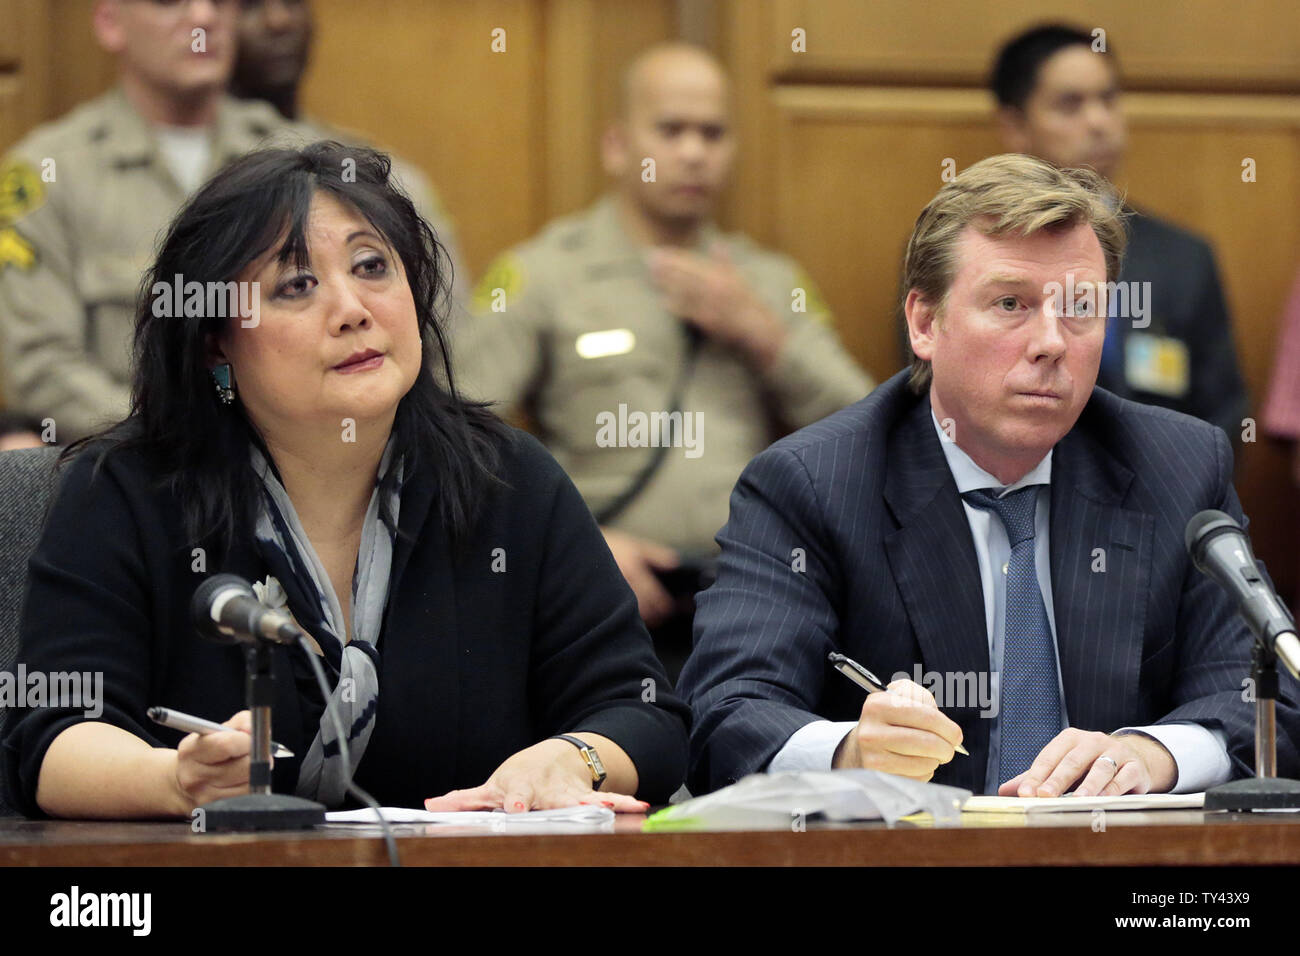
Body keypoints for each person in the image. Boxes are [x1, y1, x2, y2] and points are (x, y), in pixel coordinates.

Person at [1, 142, 688, 818]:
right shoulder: (125, 490)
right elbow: (53, 739)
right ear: (216, 340)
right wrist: (174, 782)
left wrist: (572, 757)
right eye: (297, 286)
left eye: (371, 267)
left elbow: (643, 713)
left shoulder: (506, 480)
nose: (353, 307)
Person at [680, 154, 1300, 798]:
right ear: (925, 322)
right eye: (1011, 303)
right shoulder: (813, 484)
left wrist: (1153, 754)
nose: (1052, 342)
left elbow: (1268, 700)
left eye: (1080, 308)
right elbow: (724, 713)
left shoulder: (1176, 466)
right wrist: (850, 752)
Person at [455, 43, 873, 678]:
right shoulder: (545, 273)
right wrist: (580, 547)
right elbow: (453, 435)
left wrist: (761, 335)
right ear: (619, 146)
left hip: (750, 595)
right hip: (597, 594)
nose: (694, 153)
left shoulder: (766, 278)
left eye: (712, 133)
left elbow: (867, 423)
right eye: (671, 129)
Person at [0, 0, 308, 443]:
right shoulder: (47, 175)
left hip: (294, 466)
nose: (203, 18)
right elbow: (42, 368)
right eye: (169, 2)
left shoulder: (301, 159)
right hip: (134, 469)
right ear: (109, 23)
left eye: (220, 2)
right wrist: (183, 436)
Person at [990, 23, 1247, 443]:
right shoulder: (963, 251)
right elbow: (939, 395)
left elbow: (1225, 417)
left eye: (1108, 99)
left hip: (1162, 494)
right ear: (1015, 125)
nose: (1099, 122)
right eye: (1070, 104)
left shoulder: (1184, 258)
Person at [228, 0, 467, 309]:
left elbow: (449, 330)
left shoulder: (378, 173)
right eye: (250, 5)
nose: (279, 21)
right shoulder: (205, 168)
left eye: (292, 2)